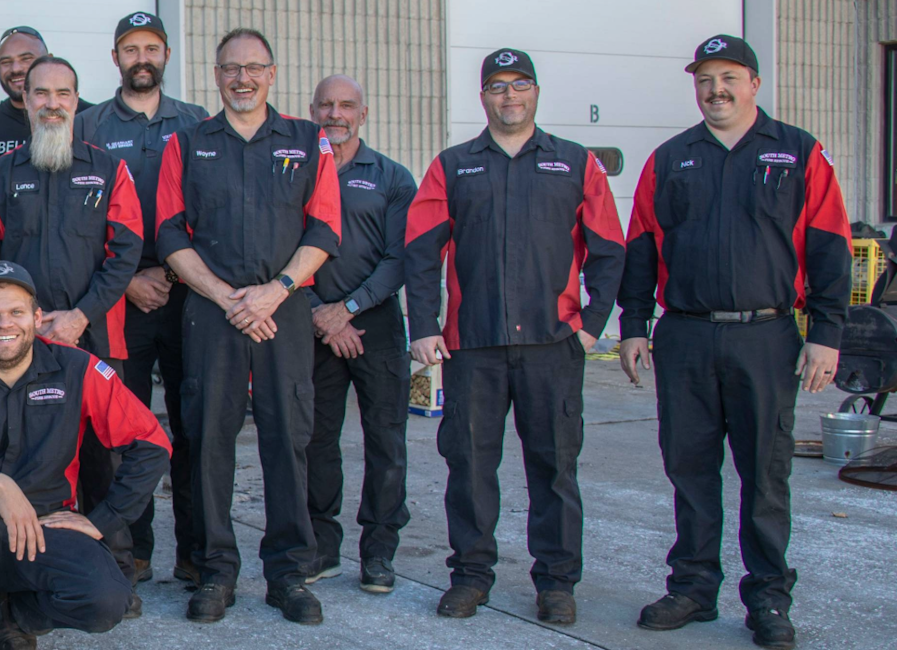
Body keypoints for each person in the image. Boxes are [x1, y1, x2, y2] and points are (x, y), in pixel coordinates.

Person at [618, 34, 849, 650]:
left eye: (728, 78)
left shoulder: (798, 152)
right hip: (686, 336)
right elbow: (641, 245)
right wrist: (635, 325)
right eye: (704, 80)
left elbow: (830, 246)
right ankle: (693, 589)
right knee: (690, 470)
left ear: (754, 83)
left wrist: (825, 335)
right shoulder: (669, 158)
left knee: (765, 476)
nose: (715, 91)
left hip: (767, 337)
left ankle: (769, 597)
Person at [403, 47, 624, 626]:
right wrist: (423, 328)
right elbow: (421, 251)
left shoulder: (574, 163)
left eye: (519, 84)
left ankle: (556, 582)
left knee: (554, 467)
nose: (509, 96)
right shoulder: (453, 166)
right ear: (483, 97)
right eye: (497, 87)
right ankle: (471, 577)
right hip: (472, 346)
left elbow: (610, 249)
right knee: (470, 468)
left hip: (552, 346)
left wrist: (591, 325)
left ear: (535, 92)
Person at [155, 28, 340, 625]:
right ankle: (214, 571)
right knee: (208, 441)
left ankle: (289, 574)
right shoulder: (187, 143)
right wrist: (226, 297)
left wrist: (274, 292)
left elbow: (324, 230)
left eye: (254, 68)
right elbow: (169, 233)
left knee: (288, 440)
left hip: (282, 314)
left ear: (272, 73)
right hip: (210, 315)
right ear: (216, 75)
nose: (242, 78)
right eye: (231, 68)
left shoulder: (309, 142)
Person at [0, 260, 170, 650]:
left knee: (107, 602)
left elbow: (152, 443)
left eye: (16, 313)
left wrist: (103, 521)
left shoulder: (78, 367)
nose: (3, 324)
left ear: (37, 318)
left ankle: (16, 614)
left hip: (46, 525)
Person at [0, 54, 145, 616]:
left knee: (104, 456)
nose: (51, 103)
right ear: (25, 98)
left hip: (92, 336)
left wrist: (79, 315)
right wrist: (24, 321)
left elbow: (127, 250)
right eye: (40, 92)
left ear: (76, 98)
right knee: (30, 455)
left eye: (62, 93)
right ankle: (21, 570)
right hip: (18, 345)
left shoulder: (107, 168)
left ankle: (116, 564)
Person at [72, 11, 211, 583]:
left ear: (167, 55)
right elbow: (77, 225)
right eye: (130, 49)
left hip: (188, 298)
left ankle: (195, 552)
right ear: (116, 58)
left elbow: (212, 213)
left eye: (151, 47)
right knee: (122, 432)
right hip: (116, 301)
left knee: (194, 427)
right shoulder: (88, 125)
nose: (142, 57)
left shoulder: (199, 123)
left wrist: (177, 276)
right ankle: (133, 549)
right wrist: (127, 279)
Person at [301, 74, 416, 595]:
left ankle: (379, 552)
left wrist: (346, 310)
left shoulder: (392, 177)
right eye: (326, 104)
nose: (335, 113)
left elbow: (400, 258)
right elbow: (277, 250)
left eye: (346, 104)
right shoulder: (296, 171)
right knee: (316, 440)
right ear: (312, 111)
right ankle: (322, 548)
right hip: (310, 323)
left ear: (363, 114)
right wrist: (318, 312)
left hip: (376, 323)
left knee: (385, 440)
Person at [0, 26, 80, 164]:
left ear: (48, 60)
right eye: (6, 62)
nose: (15, 69)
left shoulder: (87, 117)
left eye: (26, 59)